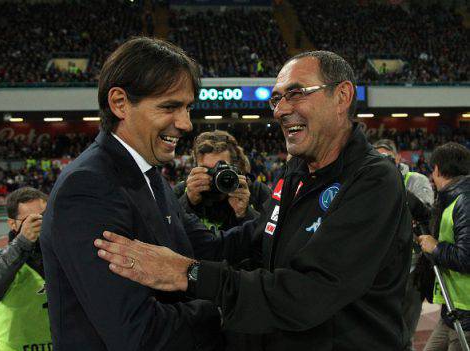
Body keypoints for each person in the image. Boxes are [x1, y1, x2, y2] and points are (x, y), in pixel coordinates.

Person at [95, 50, 412, 350]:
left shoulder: (374, 180)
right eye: (277, 98)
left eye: (296, 93)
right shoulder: (296, 172)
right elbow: (244, 244)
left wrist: (188, 273)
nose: (281, 109)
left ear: (342, 96)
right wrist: (164, 200)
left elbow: (308, 294)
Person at [40, 37, 222, 351]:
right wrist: (223, 311)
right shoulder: (88, 187)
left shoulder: (147, 174)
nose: (186, 123)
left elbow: (206, 248)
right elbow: (137, 333)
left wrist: (277, 224)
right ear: (120, 103)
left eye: (188, 107)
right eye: (170, 106)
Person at [374, 138, 434, 350]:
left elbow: (426, 212)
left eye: (388, 157)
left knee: (404, 331)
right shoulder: (370, 182)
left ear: (398, 157)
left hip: (412, 265)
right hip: (381, 267)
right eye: (378, 157)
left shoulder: (415, 179)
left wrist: (395, 184)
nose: (384, 161)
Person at [417, 142, 470, 351]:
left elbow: (466, 257)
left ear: (437, 169)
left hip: (465, 313)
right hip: (452, 310)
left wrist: (435, 247)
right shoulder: (455, 198)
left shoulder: (464, 200)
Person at [173, 130, 271, 232]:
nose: (215, 177)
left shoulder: (258, 192)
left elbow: (269, 240)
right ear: (196, 168)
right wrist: (188, 203)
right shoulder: (182, 191)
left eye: (221, 169)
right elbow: (169, 234)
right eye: (207, 170)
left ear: (235, 166)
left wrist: (245, 213)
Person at [0, 187, 50, 351]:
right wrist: (22, 243)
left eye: (45, 217)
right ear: (12, 223)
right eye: (31, 220)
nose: (40, 224)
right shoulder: (0, 258)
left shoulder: (62, 256)